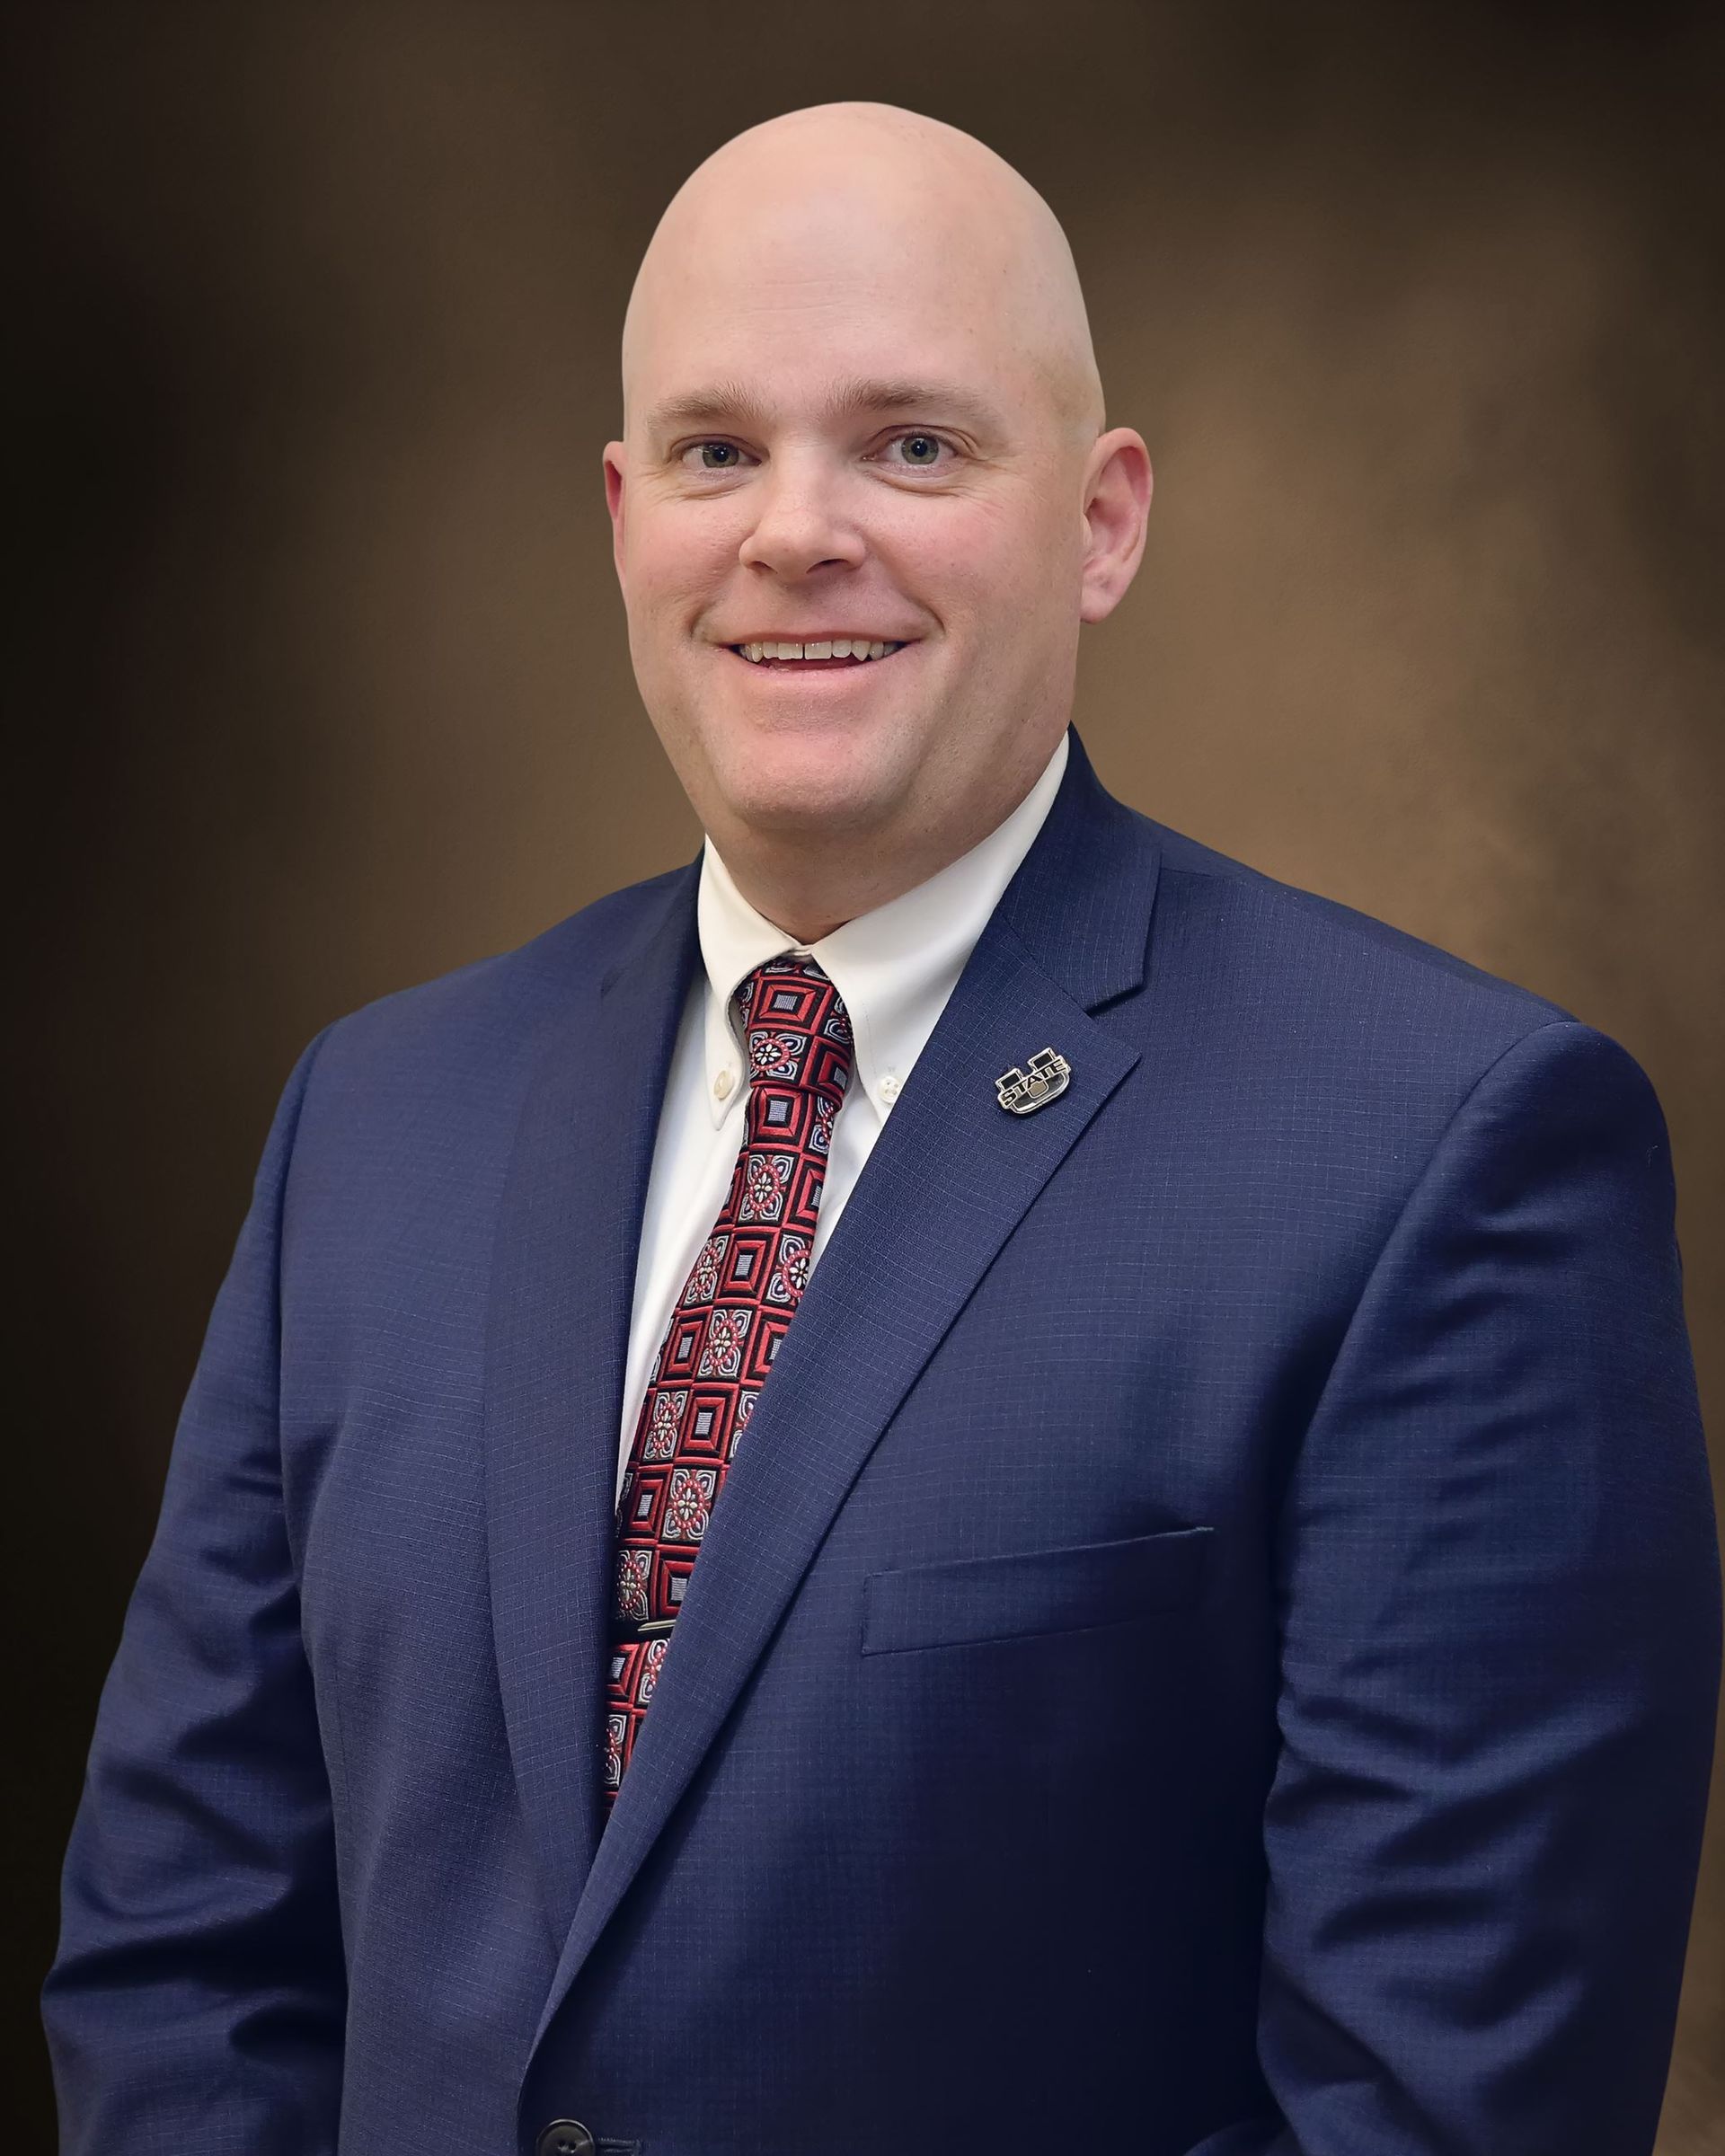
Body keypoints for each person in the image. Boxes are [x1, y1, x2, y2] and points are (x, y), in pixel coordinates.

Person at [42, 99, 1719, 2156]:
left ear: (1102, 522)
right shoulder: (377, 1122)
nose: (790, 532)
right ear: (621, 512)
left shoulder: (1441, 1151)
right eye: (715, 448)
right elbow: (181, 1953)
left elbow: (1442, 2112)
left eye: (913, 445)